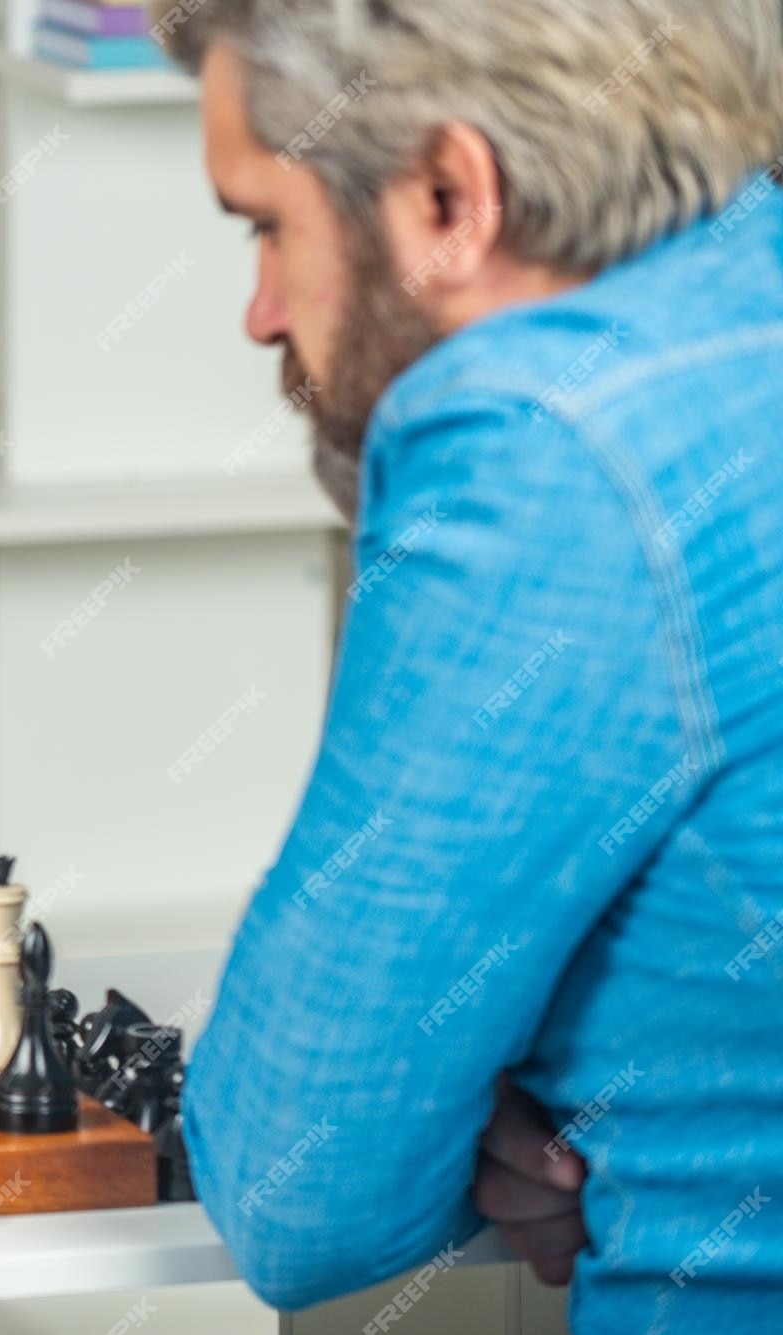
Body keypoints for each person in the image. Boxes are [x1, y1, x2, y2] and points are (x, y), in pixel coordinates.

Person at [143, 0, 783, 1327]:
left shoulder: (548, 439)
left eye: (267, 223)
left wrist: (464, 1089)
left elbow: (291, 1183)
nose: (261, 312)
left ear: (450, 193)